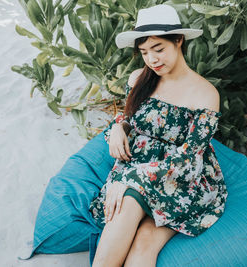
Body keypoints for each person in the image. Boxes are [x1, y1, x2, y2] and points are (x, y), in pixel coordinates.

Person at [89, 4, 228, 267]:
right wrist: (119, 127)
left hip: (180, 176)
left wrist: (132, 177)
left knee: (140, 233)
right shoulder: (140, 78)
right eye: (144, 52)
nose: (152, 59)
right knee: (127, 214)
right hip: (138, 165)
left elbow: (189, 159)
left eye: (159, 49)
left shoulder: (205, 94)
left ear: (178, 41)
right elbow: (130, 116)